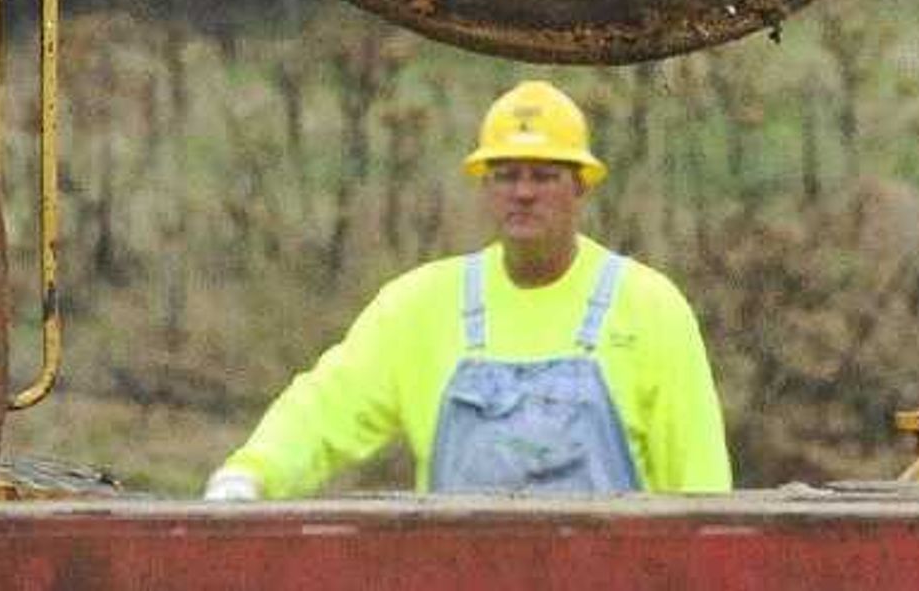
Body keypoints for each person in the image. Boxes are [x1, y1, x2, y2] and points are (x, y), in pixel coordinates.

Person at [202, 79, 729, 500]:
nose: (522, 193)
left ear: (580, 186)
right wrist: (249, 476)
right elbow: (325, 408)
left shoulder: (649, 307)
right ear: (484, 185)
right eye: (506, 175)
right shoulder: (422, 305)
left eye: (543, 176)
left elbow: (699, 479)